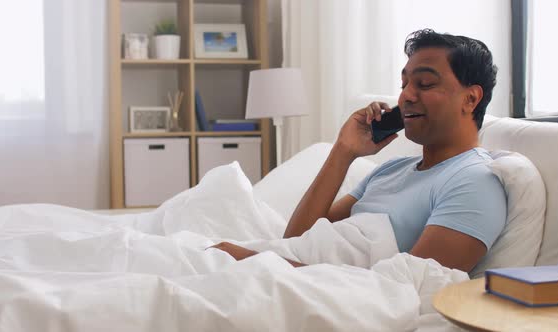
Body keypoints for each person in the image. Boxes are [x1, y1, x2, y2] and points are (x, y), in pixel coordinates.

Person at [213, 29, 506, 273]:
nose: (406, 96)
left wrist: (248, 259)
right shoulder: (391, 170)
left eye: (424, 83)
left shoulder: (474, 182)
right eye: (404, 84)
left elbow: (404, 289)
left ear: (470, 98)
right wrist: (343, 151)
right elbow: (297, 239)